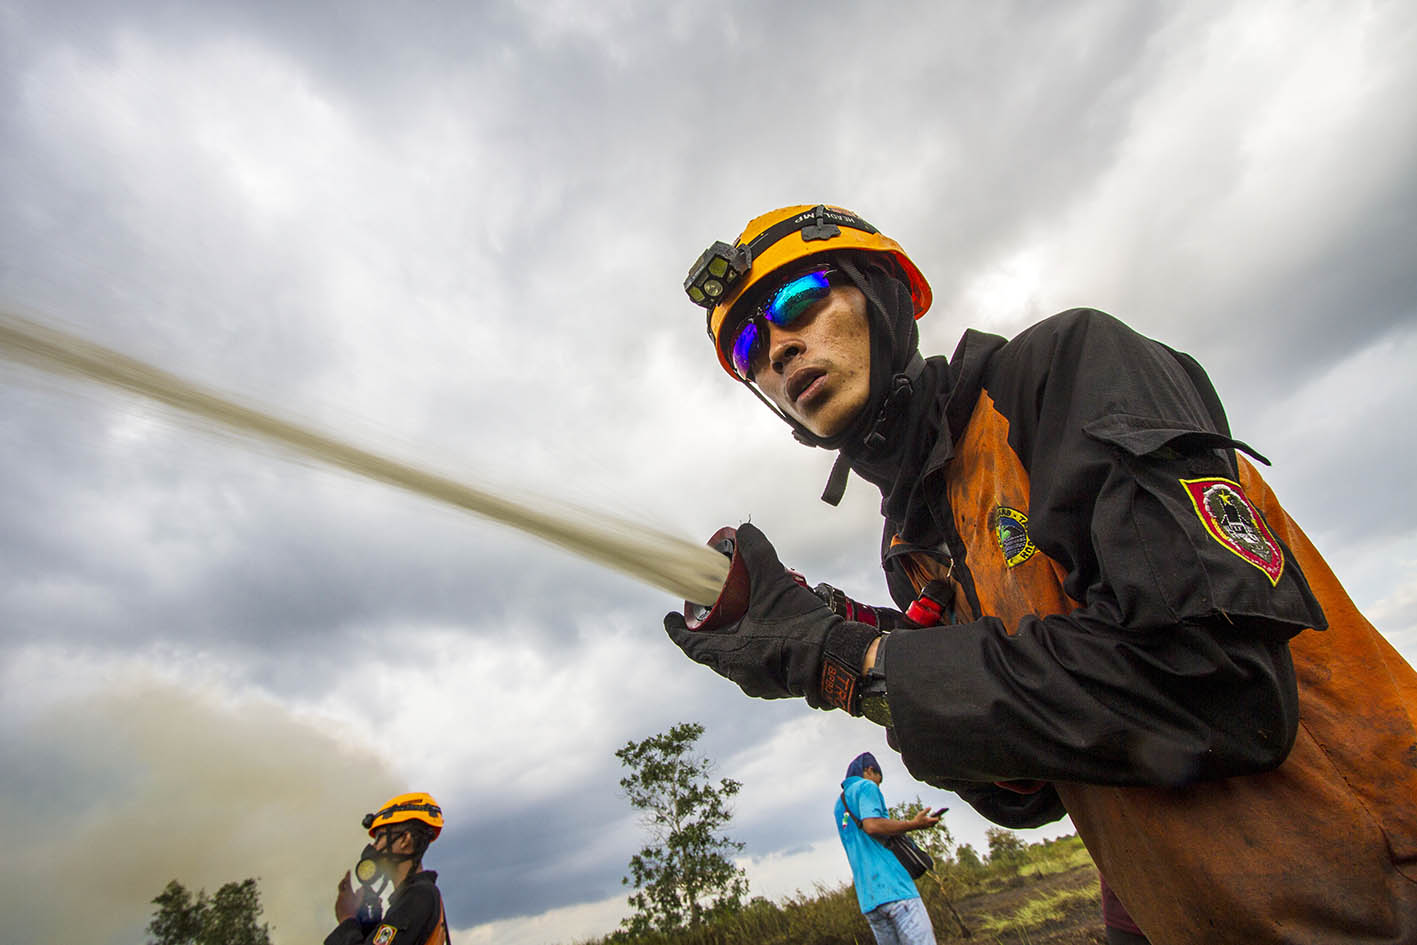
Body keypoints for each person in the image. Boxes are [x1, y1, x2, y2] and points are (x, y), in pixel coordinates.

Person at [664, 204, 1417, 944]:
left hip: (1380, 888)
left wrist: (858, 662)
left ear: (884, 290)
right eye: (749, 352)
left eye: (797, 300)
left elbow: (1215, 688)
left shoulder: (1059, 373)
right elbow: (1035, 790)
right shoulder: (915, 545)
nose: (779, 350)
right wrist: (845, 648)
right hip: (1179, 911)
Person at [835, 751, 941, 945]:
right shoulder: (866, 787)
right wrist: (914, 824)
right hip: (895, 889)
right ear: (869, 771)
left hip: (869, 900)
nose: (877, 787)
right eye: (878, 781)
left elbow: (856, 830)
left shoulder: (840, 807)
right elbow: (872, 825)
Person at [327, 792, 449, 945]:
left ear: (405, 839)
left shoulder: (419, 896)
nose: (374, 847)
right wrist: (368, 926)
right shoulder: (415, 897)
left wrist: (347, 919)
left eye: (380, 837)